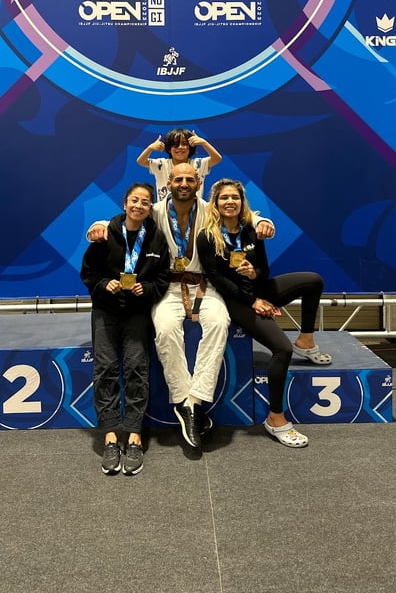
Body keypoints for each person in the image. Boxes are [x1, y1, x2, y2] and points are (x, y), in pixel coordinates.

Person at [87, 163, 275, 457]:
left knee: (219, 323)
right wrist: (97, 224)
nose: (184, 183)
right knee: (164, 329)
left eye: (189, 179)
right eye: (178, 179)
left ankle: (193, 402)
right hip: (168, 287)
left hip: (205, 284)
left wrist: (264, 221)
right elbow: (127, 216)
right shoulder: (155, 210)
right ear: (169, 183)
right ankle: (184, 398)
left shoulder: (210, 209)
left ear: (199, 182)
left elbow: (243, 213)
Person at [197, 178, 331, 449]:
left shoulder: (250, 231)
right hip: (236, 300)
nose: (230, 202)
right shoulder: (207, 236)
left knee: (313, 280)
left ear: (242, 202)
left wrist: (253, 273)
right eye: (224, 197)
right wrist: (253, 301)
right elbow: (217, 280)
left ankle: (306, 340)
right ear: (215, 203)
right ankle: (276, 418)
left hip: (257, 289)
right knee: (282, 349)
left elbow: (265, 270)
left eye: (235, 197)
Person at [80, 182, 170, 475]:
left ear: (150, 208)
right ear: (125, 203)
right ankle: (109, 436)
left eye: (145, 202)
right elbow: (88, 273)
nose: (139, 206)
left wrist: (149, 288)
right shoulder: (106, 232)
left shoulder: (156, 237)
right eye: (134, 200)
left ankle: (133, 436)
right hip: (105, 311)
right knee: (105, 369)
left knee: (136, 369)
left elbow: (163, 277)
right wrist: (104, 284)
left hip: (137, 314)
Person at [136, 127, 222, 200]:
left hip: (194, 211)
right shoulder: (161, 164)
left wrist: (204, 143)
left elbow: (217, 158)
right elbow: (141, 161)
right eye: (175, 144)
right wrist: (150, 148)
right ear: (169, 149)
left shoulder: (198, 164)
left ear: (190, 148)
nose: (180, 147)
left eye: (184, 144)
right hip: (165, 212)